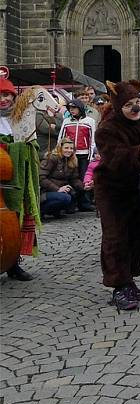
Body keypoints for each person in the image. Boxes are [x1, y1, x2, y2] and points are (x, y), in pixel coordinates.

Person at [94, 80, 140, 311]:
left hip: (137, 187)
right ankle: (118, 286)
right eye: (129, 105)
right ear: (117, 107)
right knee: (115, 236)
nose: (135, 109)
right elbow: (114, 157)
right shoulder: (107, 128)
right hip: (112, 188)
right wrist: (139, 151)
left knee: (136, 234)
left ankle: (129, 279)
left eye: (137, 102)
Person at [0, 78, 35, 280]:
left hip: (17, 177)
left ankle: (14, 263)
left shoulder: (21, 118)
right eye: (0, 96)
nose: (3, 100)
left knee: (18, 219)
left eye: (6, 95)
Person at [57, 99, 96, 211]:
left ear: (80, 108)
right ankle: (71, 204)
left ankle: (85, 203)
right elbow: (61, 138)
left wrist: (91, 155)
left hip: (84, 154)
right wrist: (60, 152)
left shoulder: (90, 121)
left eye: (74, 108)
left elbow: (92, 139)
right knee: (70, 178)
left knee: (84, 178)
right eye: (70, 108)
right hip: (70, 154)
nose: (72, 110)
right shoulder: (66, 121)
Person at [39, 137, 84, 217]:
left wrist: (84, 186)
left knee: (73, 194)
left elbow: (74, 179)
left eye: (71, 148)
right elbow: (41, 177)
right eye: (66, 148)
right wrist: (57, 189)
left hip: (63, 190)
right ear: (60, 148)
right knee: (65, 198)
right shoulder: (51, 158)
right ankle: (42, 210)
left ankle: (55, 210)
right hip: (46, 191)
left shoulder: (72, 160)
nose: (69, 150)